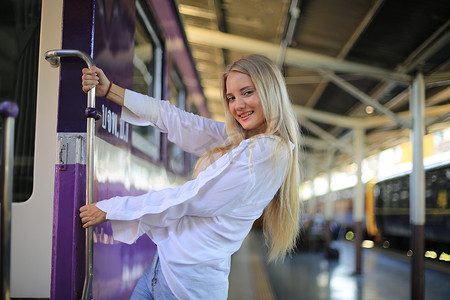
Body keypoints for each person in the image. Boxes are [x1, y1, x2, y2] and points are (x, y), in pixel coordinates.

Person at [79, 54, 302, 299]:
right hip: (162, 268)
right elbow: (178, 120)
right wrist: (110, 90)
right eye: (231, 97)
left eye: (247, 92)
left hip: (187, 287)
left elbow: (193, 197)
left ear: (270, 91)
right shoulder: (242, 140)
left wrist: (114, 209)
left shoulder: (267, 151)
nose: (238, 105)